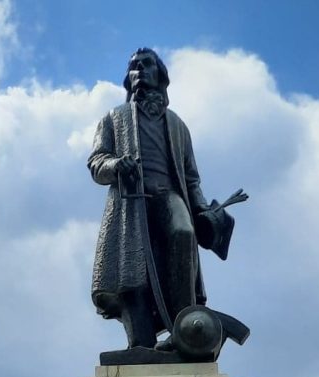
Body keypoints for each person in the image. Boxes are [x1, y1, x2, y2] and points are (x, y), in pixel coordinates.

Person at [88, 48, 226, 351]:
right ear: (128, 79)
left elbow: (191, 179)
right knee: (131, 273)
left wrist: (203, 210)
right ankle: (140, 343)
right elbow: (97, 162)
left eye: (146, 65)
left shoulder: (177, 126)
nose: (139, 71)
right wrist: (116, 165)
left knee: (183, 231)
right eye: (133, 67)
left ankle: (183, 328)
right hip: (130, 202)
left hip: (167, 196)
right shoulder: (114, 118)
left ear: (160, 75)